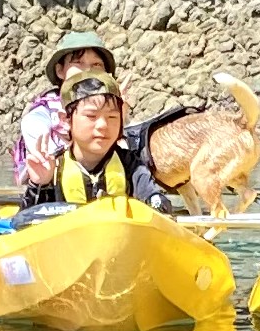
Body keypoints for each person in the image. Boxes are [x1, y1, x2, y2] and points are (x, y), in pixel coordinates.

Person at [22, 76, 164, 208]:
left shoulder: (132, 165)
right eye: (91, 116)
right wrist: (39, 184)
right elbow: (25, 223)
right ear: (66, 120)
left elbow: (155, 199)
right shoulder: (54, 168)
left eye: (112, 117)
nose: (103, 125)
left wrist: (157, 202)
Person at [14, 31, 122, 186]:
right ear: (60, 70)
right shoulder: (38, 118)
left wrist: (121, 121)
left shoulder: (115, 111)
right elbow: (57, 163)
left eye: (96, 65)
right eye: (78, 63)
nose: (88, 71)